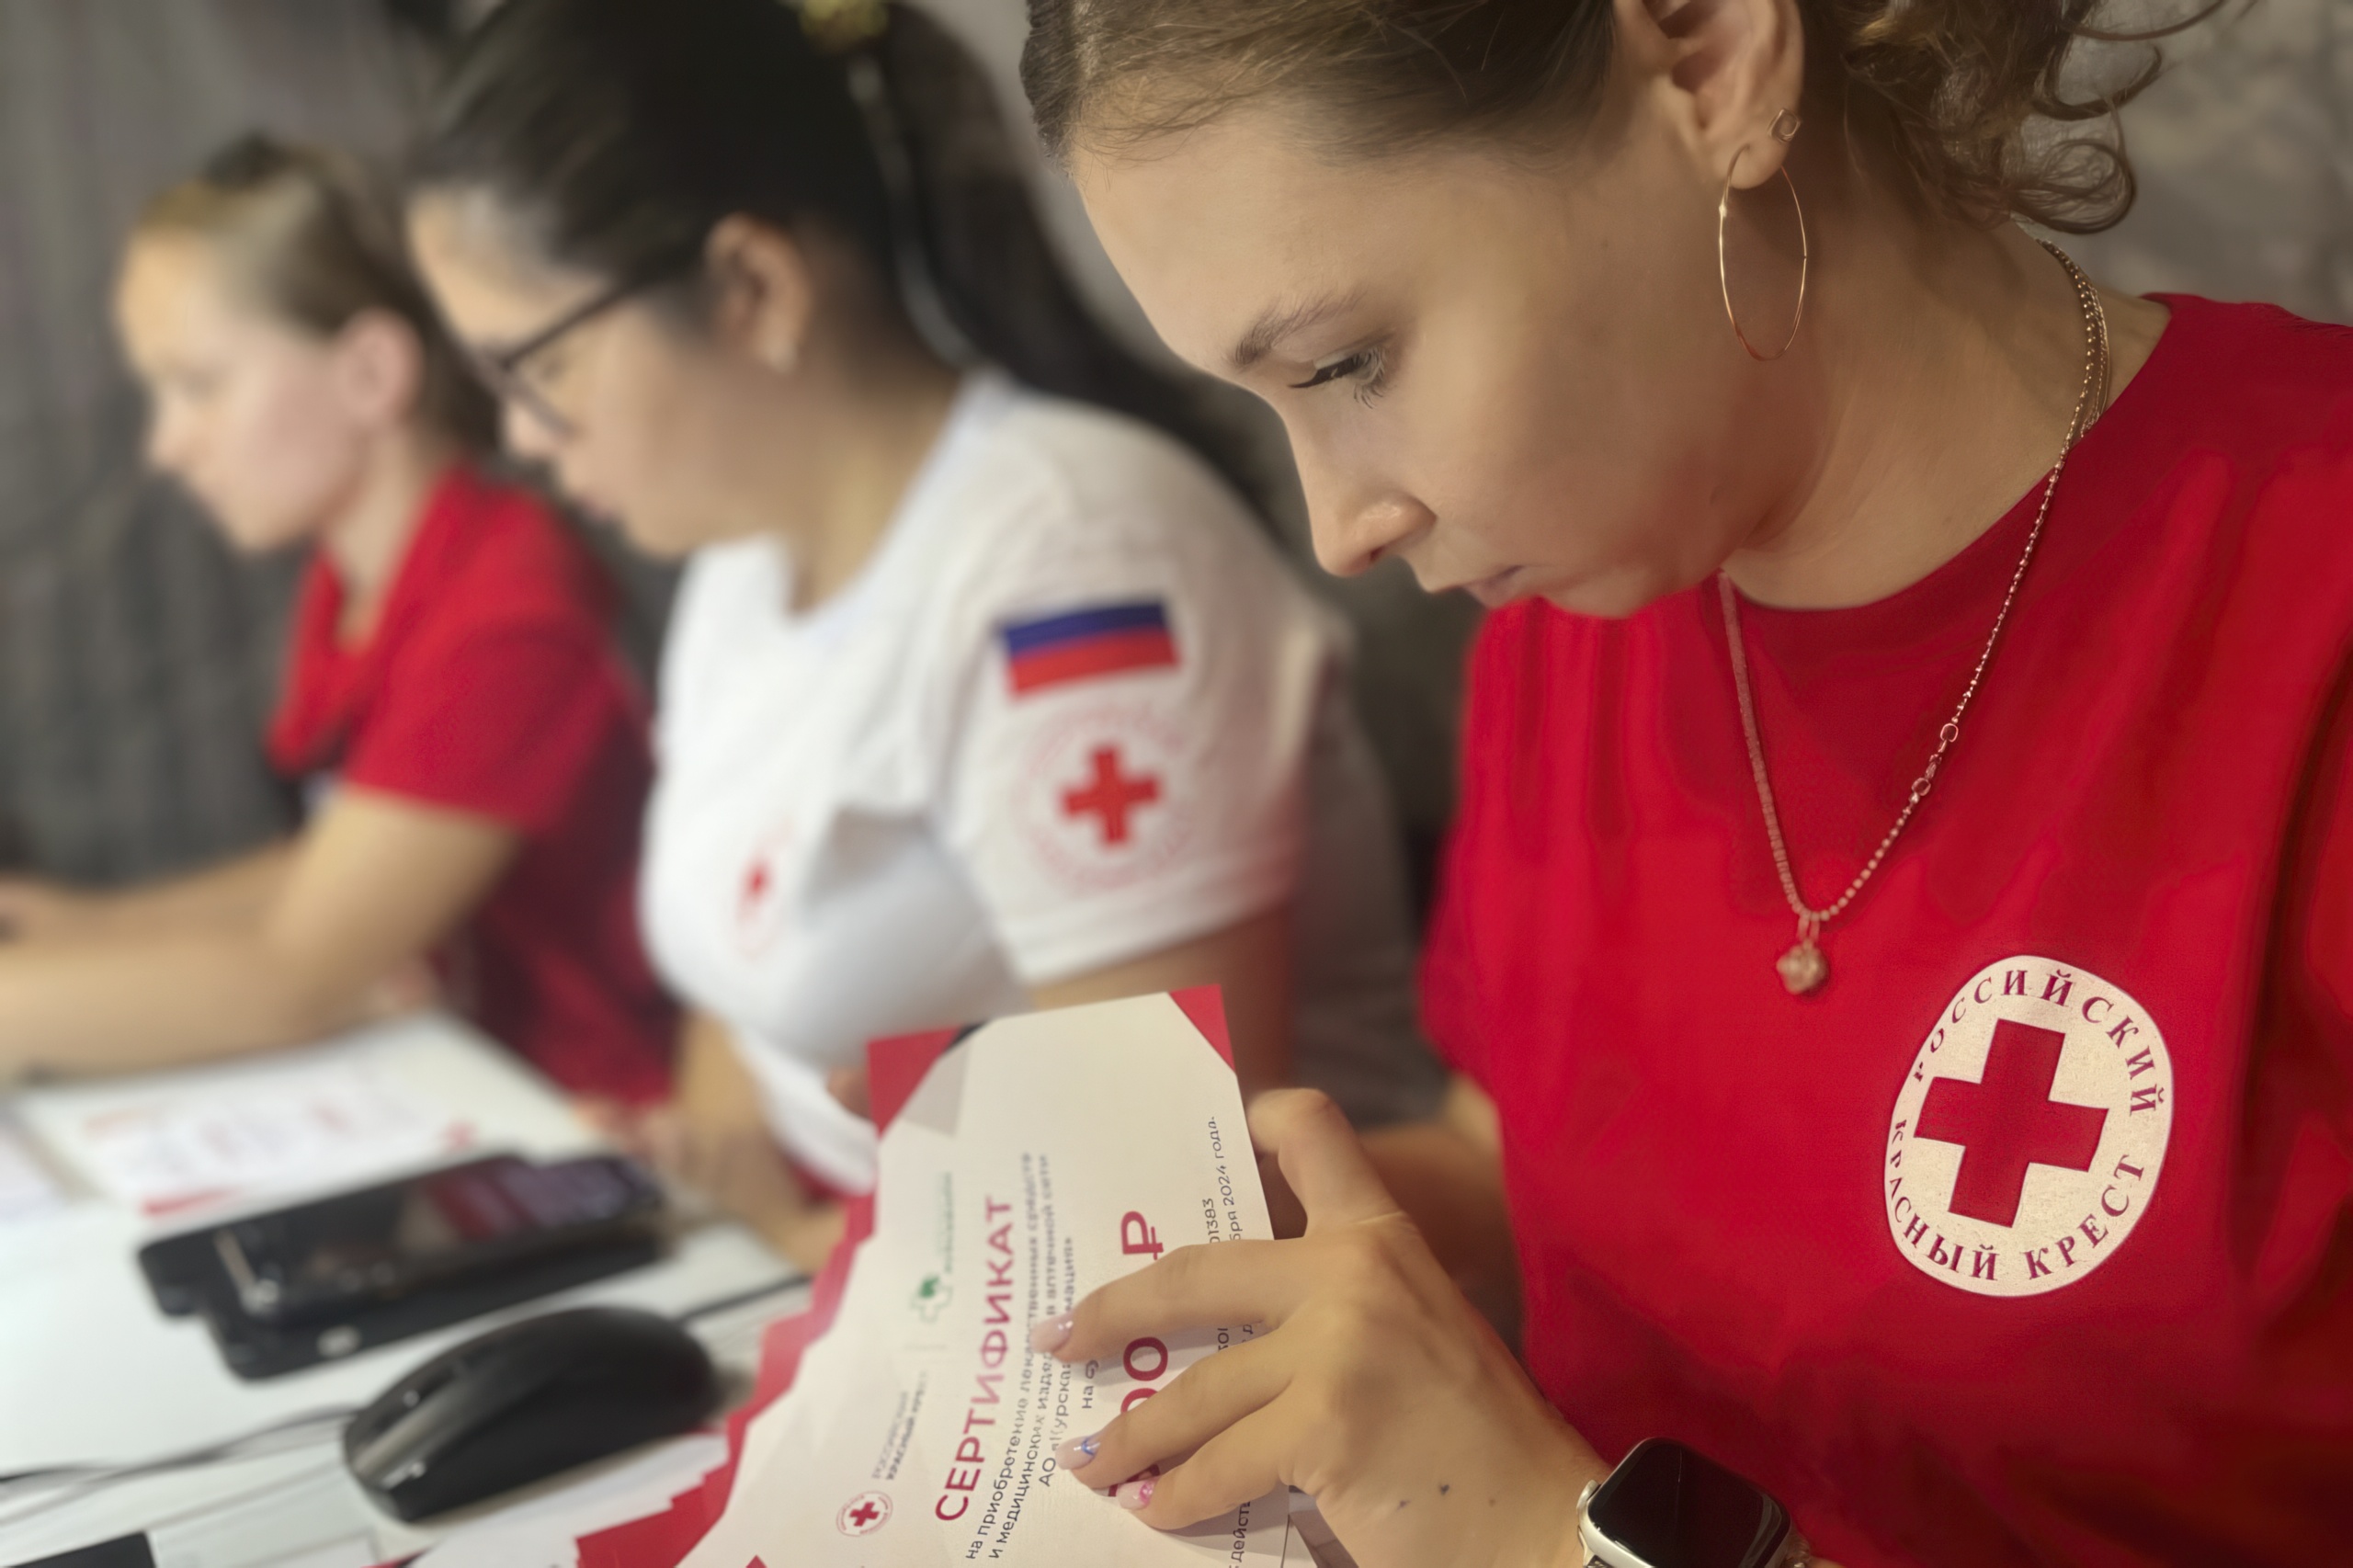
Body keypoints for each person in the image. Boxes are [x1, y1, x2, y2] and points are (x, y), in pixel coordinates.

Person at [1013, 1, 2353, 1564]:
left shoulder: (2303, 610)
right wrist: (1237, 1235)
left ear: (1710, 59)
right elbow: (1547, 1171)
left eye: (1348, 362)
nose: (1341, 528)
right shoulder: (1584, 595)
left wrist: (1549, 1539)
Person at [403, 0, 1441, 1269]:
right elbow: (739, 993)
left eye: (538, 369)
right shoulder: (741, 562)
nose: (519, 437)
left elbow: (1163, 1184)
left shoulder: (1074, 561)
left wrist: (785, 1235)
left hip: (1148, 1317)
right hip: (877, 1271)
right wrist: (721, 1172)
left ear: (751, 287)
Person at [0, 136, 674, 1106]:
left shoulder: (509, 610)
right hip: (464, 1083)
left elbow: (293, 976)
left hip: (599, 1114)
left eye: (199, 385)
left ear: (369, 372)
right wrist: (86, 928)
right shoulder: (352, 582)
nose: (166, 447)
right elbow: (345, 858)